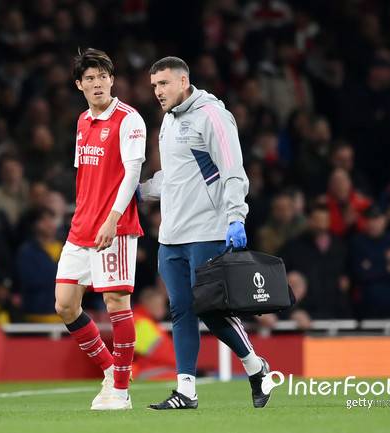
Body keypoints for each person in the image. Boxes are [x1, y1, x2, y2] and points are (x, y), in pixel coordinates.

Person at [139, 56, 271, 410]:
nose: (158, 92)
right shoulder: (168, 121)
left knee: (211, 311)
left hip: (207, 230)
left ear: (183, 81)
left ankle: (255, 366)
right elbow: (174, 178)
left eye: (163, 83)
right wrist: (141, 192)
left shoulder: (212, 115)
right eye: (154, 86)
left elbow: (232, 170)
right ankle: (186, 391)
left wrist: (236, 217)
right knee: (180, 310)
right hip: (171, 235)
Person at [53, 48, 146, 410]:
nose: (97, 84)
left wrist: (112, 218)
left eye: (102, 77)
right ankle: (111, 370)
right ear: (79, 85)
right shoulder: (81, 121)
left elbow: (132, 173)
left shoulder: (129, 120)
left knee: (116, 303)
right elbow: (84, 176)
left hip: (115, 226)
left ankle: (120, 392)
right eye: (89, 78)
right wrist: (84, 217)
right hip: (82, 227)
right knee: (65, 304)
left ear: (112, 80)